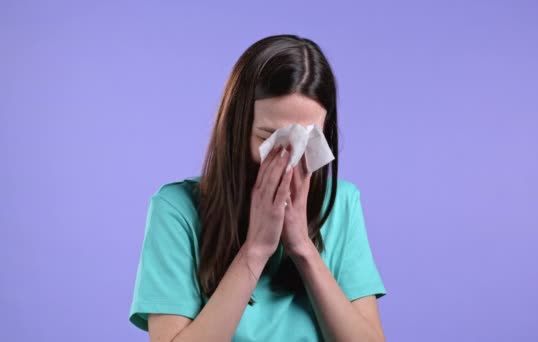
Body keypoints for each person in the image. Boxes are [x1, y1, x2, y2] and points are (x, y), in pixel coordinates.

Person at [128, 34, 387, 341]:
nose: (288, 159)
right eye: (269, 139)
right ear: (236, 130)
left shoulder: (341, 201)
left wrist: (303, 248)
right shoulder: (177, 209)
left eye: (306, 141)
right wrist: (256, 248)